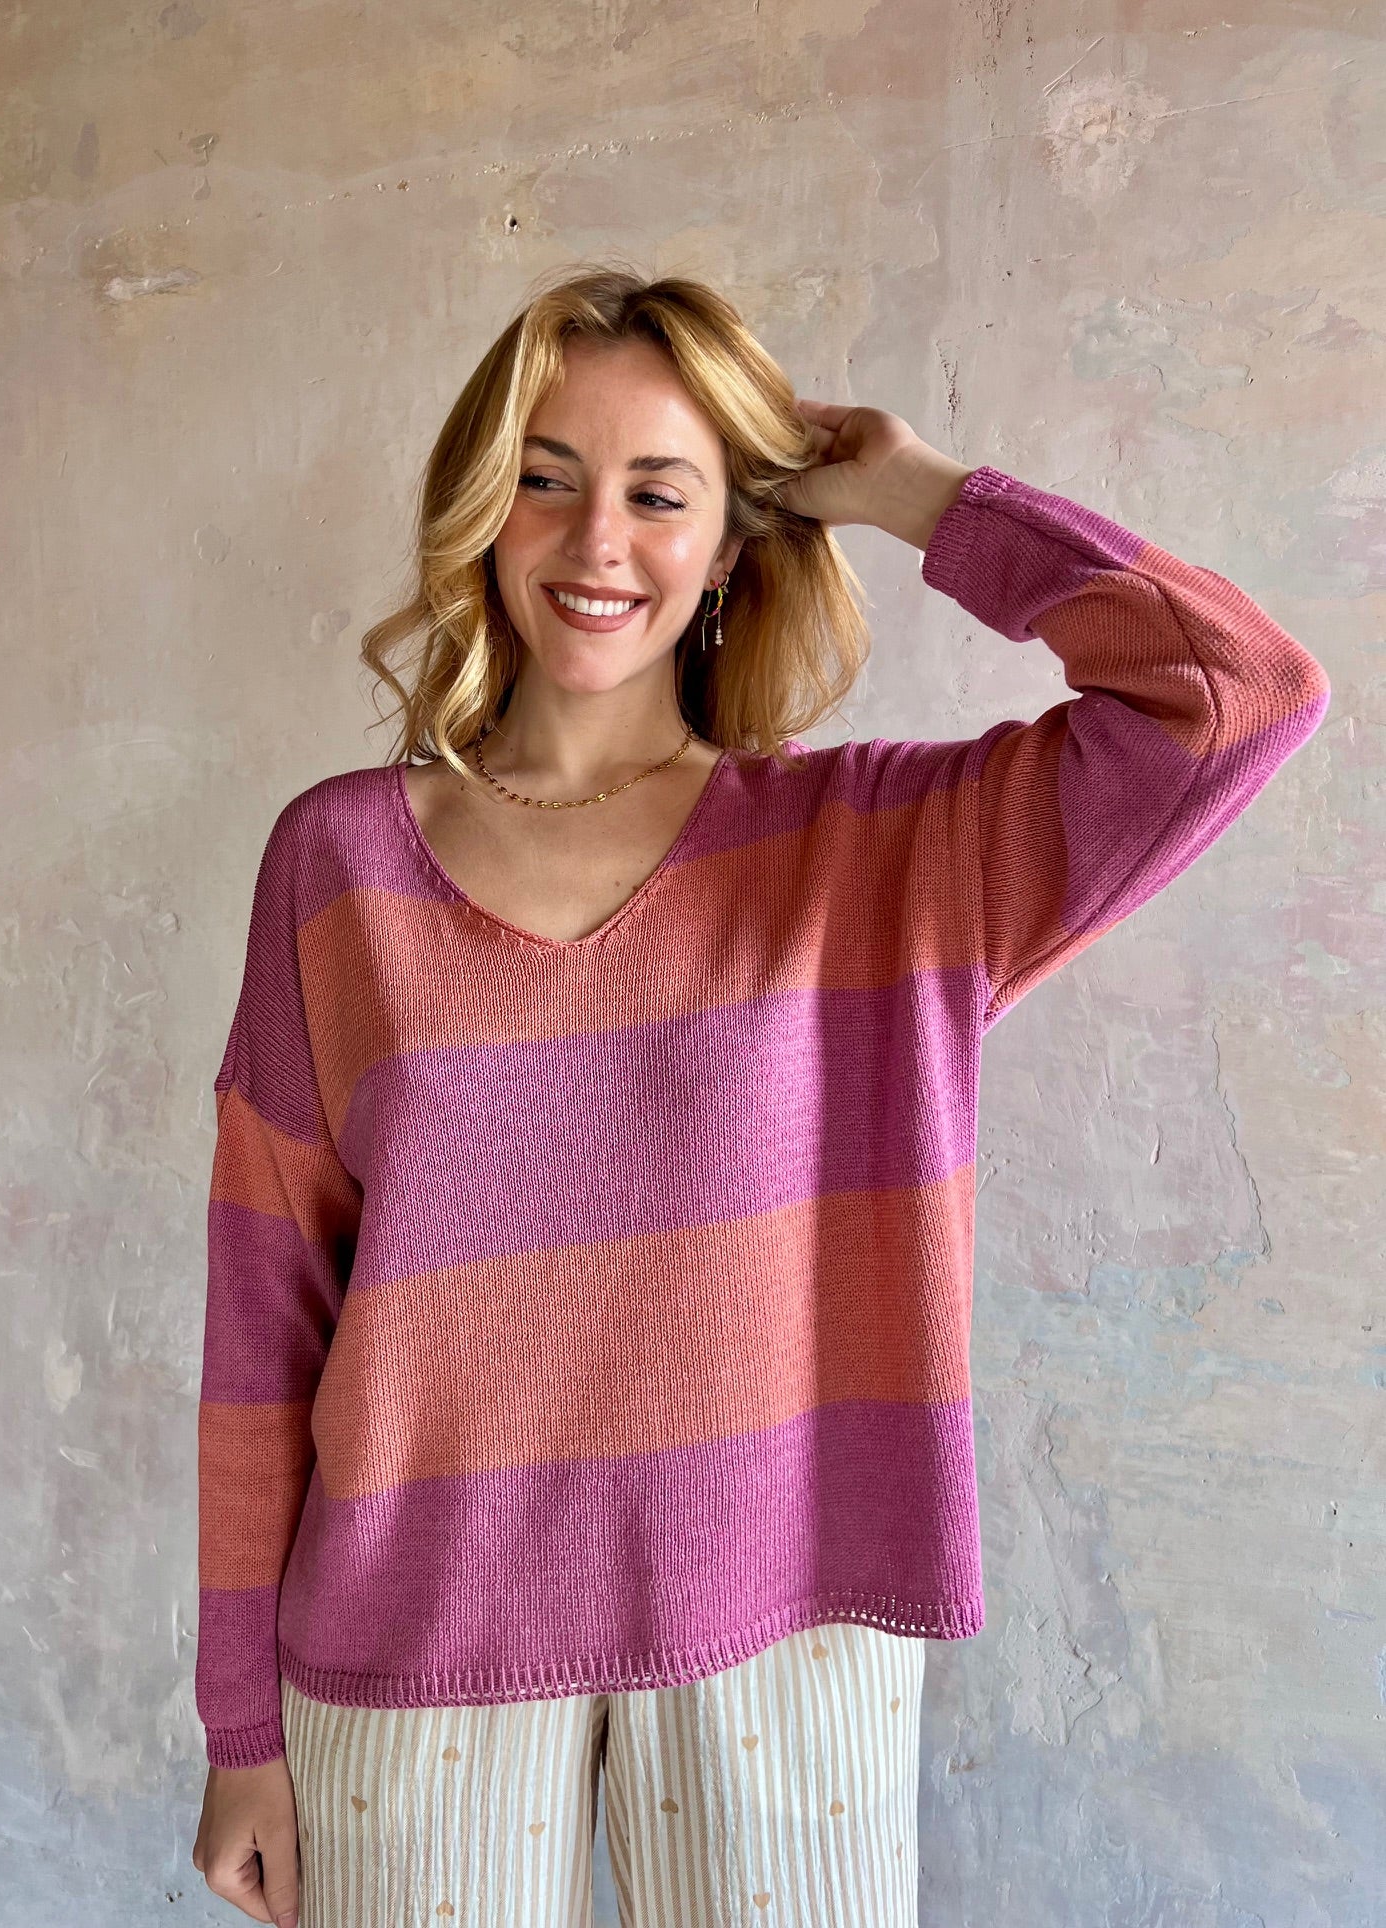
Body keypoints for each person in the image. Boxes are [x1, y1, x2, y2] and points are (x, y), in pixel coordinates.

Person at [190, 264, 1330, 1928]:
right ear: (481, 509)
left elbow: (1233, 694)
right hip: (410, 1634)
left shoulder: (883, 858)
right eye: (546, 478)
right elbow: (262, 1321)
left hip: (784, 1628)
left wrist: (914, 491)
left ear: (733, 541)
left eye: (661, 493)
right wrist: (240, 1730)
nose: (596, 541)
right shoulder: (339, 862)